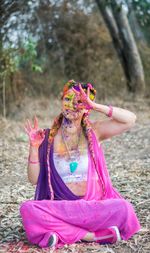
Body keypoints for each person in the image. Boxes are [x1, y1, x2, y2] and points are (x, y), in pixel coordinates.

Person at [20, 80, 141, 249]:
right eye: (69, 99)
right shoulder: (46, 138)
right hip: (62, 209)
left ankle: (62, 232)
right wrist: (33, 149)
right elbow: (33, 179)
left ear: (87, 108)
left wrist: (96, 105)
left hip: (92, 208)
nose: (73, 106)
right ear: (61, 100)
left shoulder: (94, 132)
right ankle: (91, 236)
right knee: (27, 209)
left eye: (80, 102)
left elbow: (130, 120)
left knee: (124, 208)